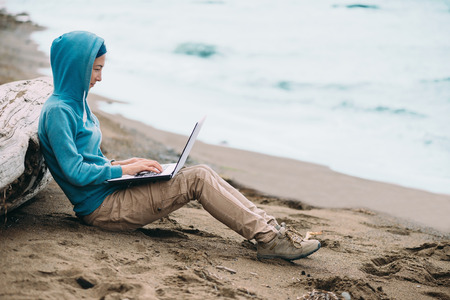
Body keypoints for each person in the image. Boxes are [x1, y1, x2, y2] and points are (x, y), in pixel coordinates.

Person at [38, 31, 321, 261]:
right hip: (102, 209)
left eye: (101, 69)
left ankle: (272, 229)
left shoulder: (78, 104)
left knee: (202, 171)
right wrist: (122, 171)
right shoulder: (59, 111)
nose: (100, 77)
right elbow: (74, 171)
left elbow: (90, 160)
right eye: (96, 69)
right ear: (76, 67)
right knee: (196, 178)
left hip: (111, 191)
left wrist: (125, 165)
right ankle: (270, 241)